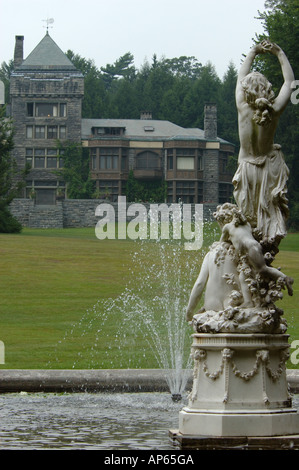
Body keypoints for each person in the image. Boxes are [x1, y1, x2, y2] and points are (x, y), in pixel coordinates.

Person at [233, 40, 294, 245]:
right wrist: (279, 52)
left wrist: (253, 52)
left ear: (246, 90)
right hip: (268, 171)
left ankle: (249, 265)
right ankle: (264, 260)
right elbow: (289, 83)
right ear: (266, 89)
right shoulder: (274, 110)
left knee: (247, 223)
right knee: (266, 224)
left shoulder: (242, 106)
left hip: (247, 169)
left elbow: (241, 76)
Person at [215, 203, 293, 297]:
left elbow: (222, 241)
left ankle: (285, 278)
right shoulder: (246, 224)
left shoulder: (227, 227)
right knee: (260, 270)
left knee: (262, 269)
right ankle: (282, 279)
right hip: (253, 246)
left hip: (250, 248)